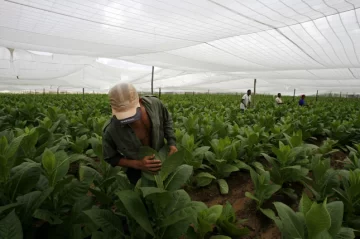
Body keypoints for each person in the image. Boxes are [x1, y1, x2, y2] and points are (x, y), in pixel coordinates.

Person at [102, 83, 178, 185]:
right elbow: (110, 157)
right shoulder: (111, 130)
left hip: (162, 160)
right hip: (136, 171)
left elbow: (167, 120)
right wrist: (138, 164)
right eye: (123, 116)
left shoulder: (155, 104)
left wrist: (171, 142)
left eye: (131, 114)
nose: (128, 120)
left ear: (140, 101)